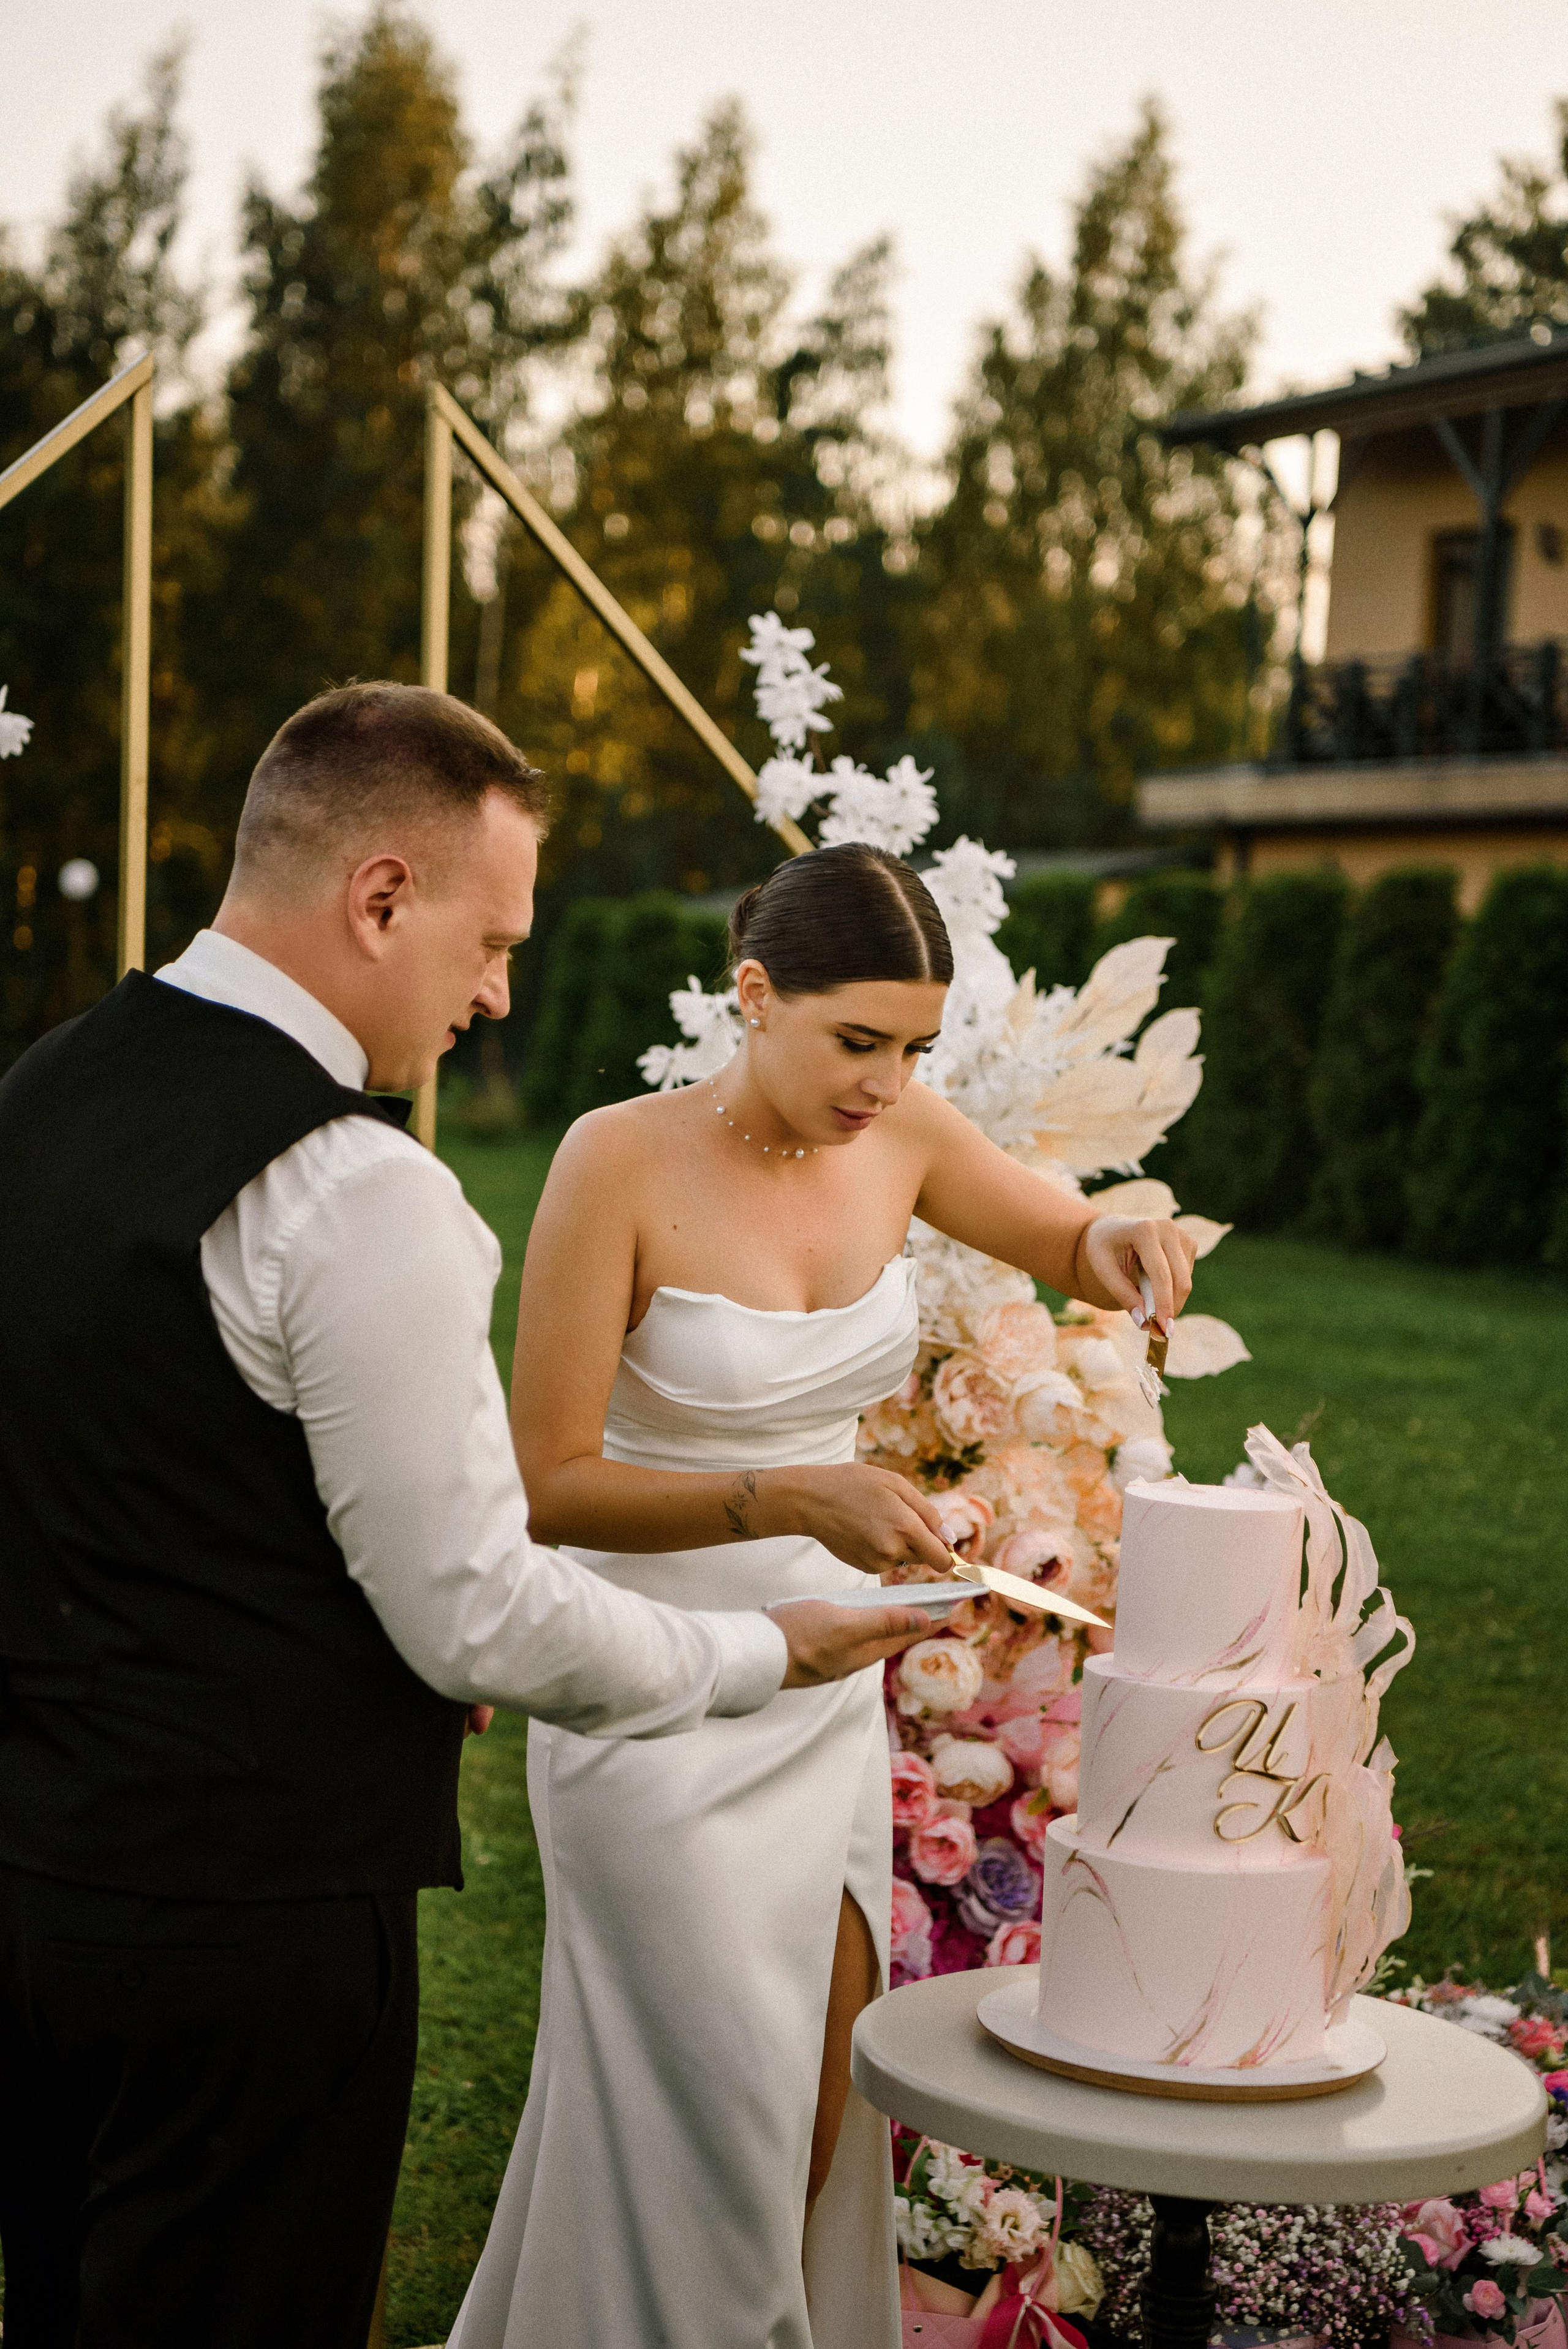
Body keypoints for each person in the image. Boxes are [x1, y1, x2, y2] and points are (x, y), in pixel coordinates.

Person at [0, 684, 932, 2349]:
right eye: (488, 938)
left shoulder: (39, 1095)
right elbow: (478, 1613)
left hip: (35, 1883)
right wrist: (761, 1647)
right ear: (379, 897)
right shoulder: (362, 1193)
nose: (501, 992)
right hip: (255, 1933)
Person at [451, 842, 1196, 2349]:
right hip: (652, 1690)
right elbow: (541, 1479)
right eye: (855, 1040)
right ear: (753, 995)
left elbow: (1056, 1229)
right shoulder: (616, 1158)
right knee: (707, 2108)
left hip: (827, 1694)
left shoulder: (902, 1128)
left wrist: (1112, 1240)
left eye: (912, 1047)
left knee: (817, 2095)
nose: (885, 1080)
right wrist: (798, 1494)